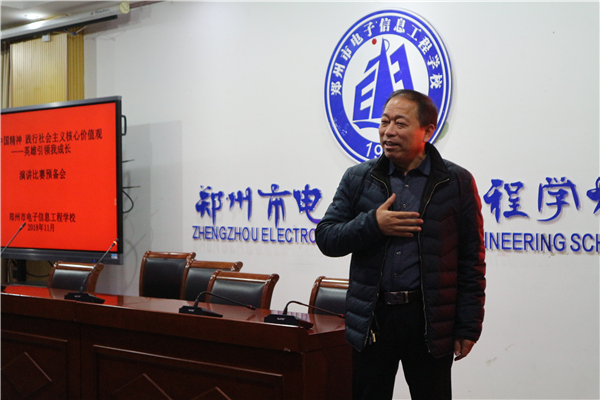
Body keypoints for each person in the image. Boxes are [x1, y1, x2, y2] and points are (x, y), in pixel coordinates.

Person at [315, 89, 486, 400]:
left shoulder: (457, 182)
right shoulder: (358, 178)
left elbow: (470, 260)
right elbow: (327, 237)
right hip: (373, 318)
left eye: (400, 123)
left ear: (427, 131)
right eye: (384, 122)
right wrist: (373, 224)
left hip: (429, 319)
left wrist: (467, 327)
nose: (388, 131)